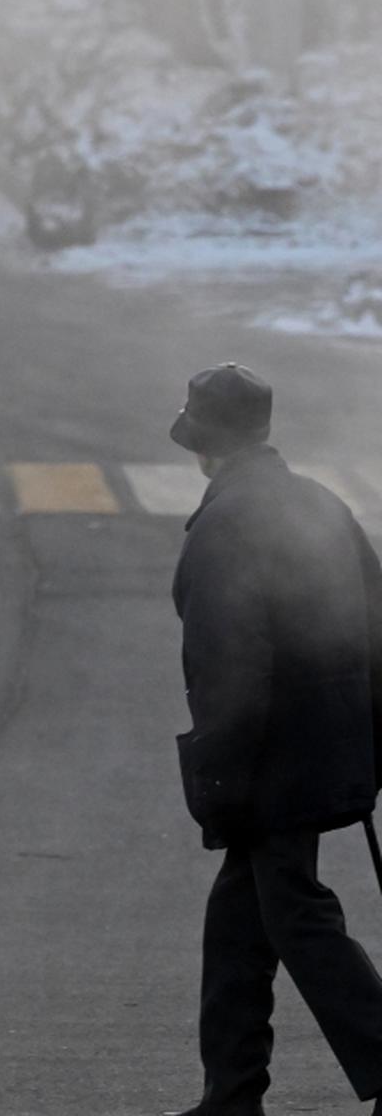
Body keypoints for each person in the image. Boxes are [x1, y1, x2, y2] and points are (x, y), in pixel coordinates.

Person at [168, 362, 382, 1116]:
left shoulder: (227, 526)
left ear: (204, 445)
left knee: (294, 912)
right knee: (241, 916)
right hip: (323, 746)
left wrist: (217, 782)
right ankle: (231, 1094)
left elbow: (231, 670)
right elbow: (376, 627)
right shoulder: (317, 504)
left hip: (271, 757)